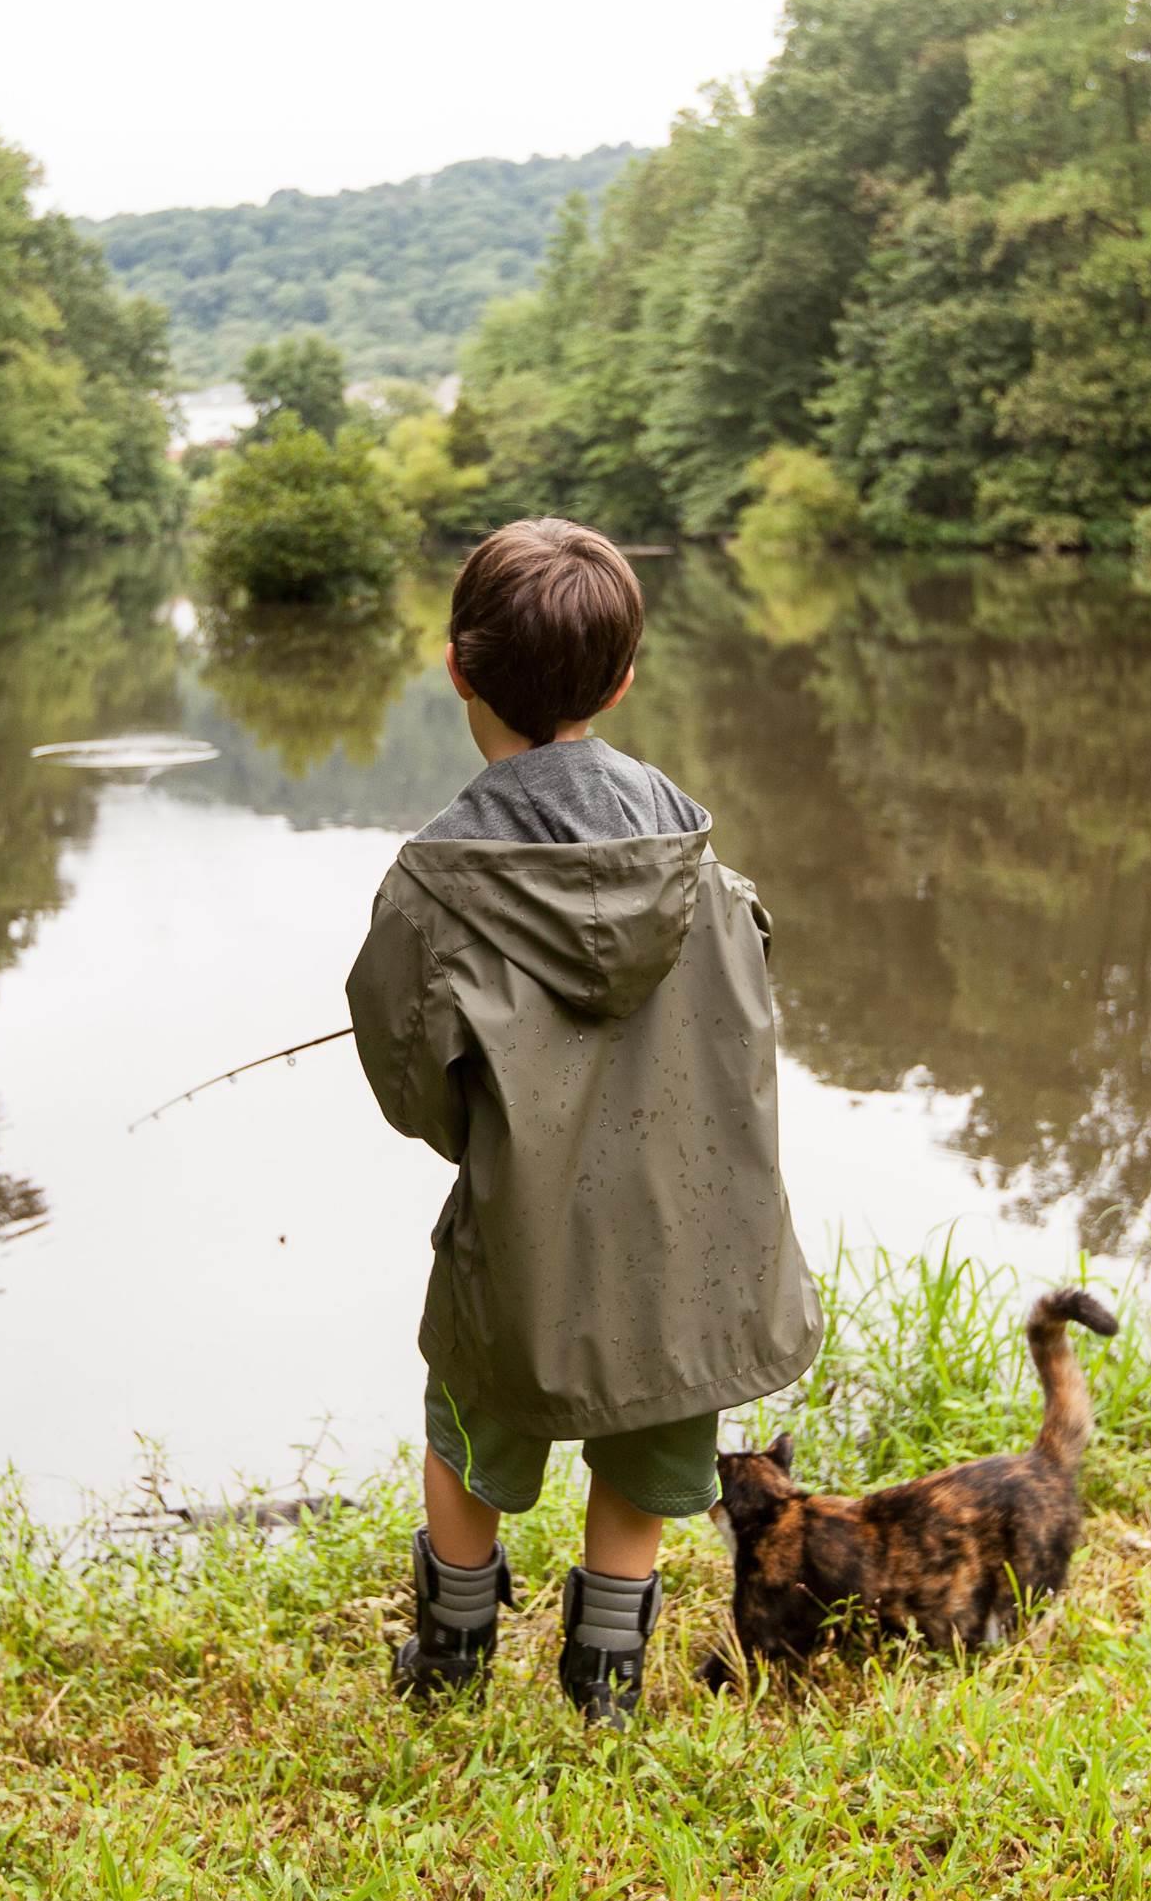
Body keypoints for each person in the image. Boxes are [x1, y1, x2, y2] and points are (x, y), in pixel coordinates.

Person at [344, 516, 823, 1726]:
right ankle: (603, 1679)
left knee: (466, 1425)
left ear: (456, 666)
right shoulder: (704, 865)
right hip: (691, 1250)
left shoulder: (431, 884)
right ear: (620, 681)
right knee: (655, 1447)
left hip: (519, 1249)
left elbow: (411, 1087)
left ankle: (451, 1657)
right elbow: (743, 1050)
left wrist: (500, 1139)